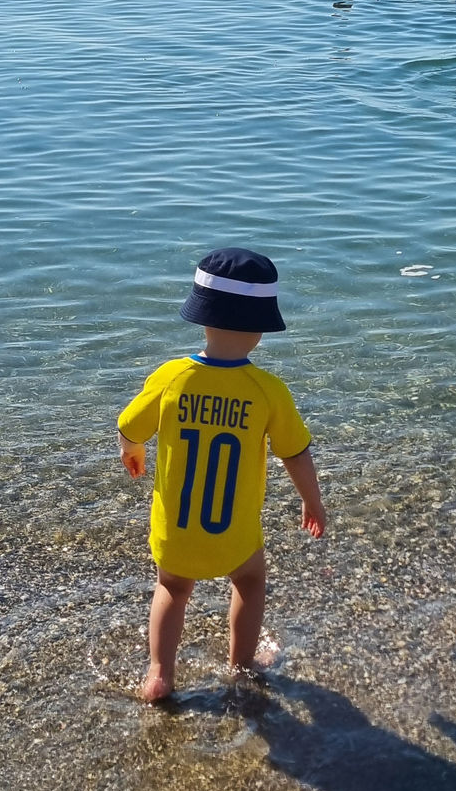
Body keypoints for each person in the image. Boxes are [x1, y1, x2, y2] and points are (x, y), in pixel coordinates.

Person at [117, 247, 326, 702]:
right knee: (250, 582)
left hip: (176, 530)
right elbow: (296, 453)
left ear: (201, 317)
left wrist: (132, 451)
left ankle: (159, 674)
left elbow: (129, 427)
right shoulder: (267, 391)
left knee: (171, 587)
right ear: (260, 330)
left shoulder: (171, 377)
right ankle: (241, 665)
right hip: (234, 532)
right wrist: (312, 501)